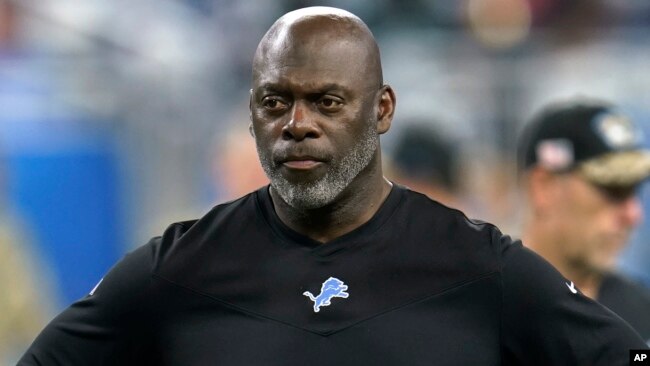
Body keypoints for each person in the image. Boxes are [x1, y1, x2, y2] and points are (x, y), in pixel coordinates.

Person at [19, 7, 647, 365]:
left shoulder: (483, 266)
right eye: (276, 102)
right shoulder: (174, 268)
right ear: (251, 112)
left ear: (381, 110)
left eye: (326, 102)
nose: (298, 125)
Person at [517, 98, 650, 344]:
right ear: (543, 187)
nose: (633, 214)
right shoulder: (478, 320)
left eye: (634, 190)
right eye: (613, 189)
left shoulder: (641, 315)